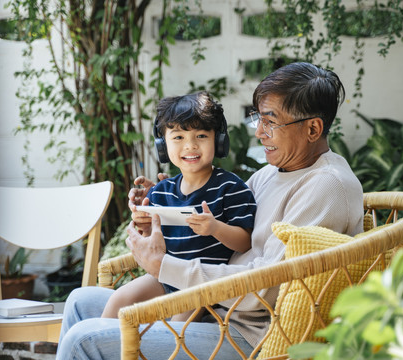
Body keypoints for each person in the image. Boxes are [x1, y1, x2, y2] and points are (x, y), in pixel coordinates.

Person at [56, 62, 364, 360]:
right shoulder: (273, 173)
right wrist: (169, 200)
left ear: (313, 128)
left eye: (271, 121)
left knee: (85, 341)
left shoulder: (326, 187)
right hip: (213, 309)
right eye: (259, 119)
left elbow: (266, 289)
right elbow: (222, 218)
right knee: (81, 302)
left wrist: (164, 266)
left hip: (251, 334)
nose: (259, 133)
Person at [101, 91, 256, 320]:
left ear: (219, 140)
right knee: (119, 300)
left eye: (201, 135)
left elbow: (245, 243)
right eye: (178, 137)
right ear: (163, 145)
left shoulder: (232, 187)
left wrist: (215, 228)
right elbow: (156, 242)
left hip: (202, 285)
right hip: (165, 277)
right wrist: (144, 227)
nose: (190, 146)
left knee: (177, 324)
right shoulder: (160, 191)